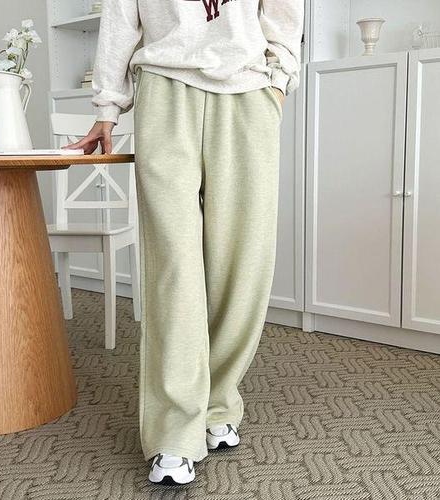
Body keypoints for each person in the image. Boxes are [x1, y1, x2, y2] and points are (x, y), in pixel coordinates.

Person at [66, 0, 304, 486]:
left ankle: (218, 403)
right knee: (173, 266)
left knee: (243, 263)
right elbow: (120, 15)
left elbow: (283, 15)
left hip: (248, 92)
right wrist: (107, 106)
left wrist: (278, 82)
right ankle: (174, 431)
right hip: (165, 87)